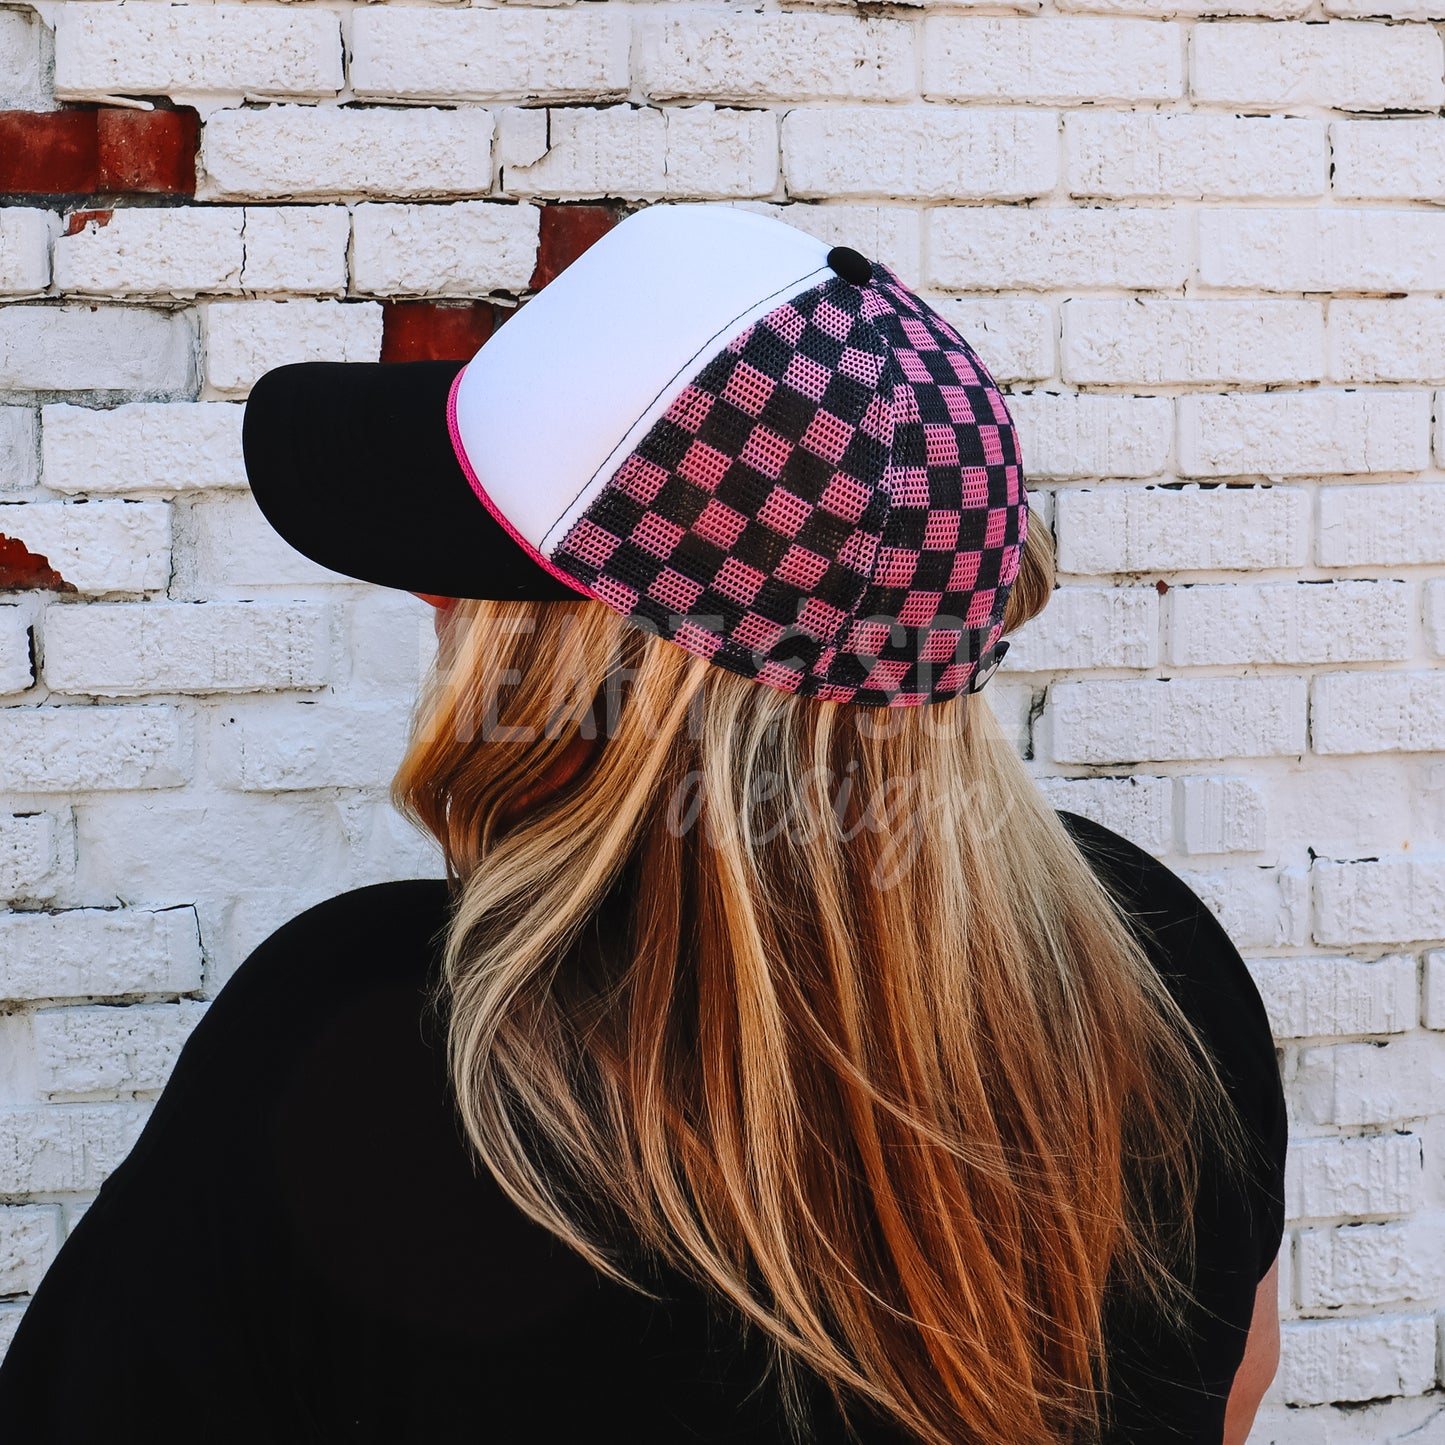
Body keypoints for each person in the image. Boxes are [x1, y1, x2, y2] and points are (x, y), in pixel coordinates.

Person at [0, 205, 1284, 1445]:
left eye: (469, 563)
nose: (430, 597)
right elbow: (1234, 1379)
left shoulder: (376, 1055)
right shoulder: (1154, 968)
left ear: (591, 652)